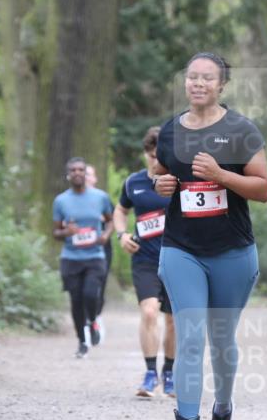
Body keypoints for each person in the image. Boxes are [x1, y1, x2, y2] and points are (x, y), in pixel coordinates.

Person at [153, 52, 267, 420]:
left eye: (207, 78)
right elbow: (163, 174)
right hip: (181, 248)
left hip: (232, 252)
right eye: (191, 77)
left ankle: (222, 412)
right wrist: (161, 183)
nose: (198, 84)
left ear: (222, 85)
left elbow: (262, 188)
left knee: (221, 340)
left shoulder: (240, 130)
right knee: (189, 337)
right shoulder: (170, 131)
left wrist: (221, 176)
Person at [114, 127, 176, 398]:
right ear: (145, 155)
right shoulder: (133, 183)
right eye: (151, 156)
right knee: (149, 312)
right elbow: (120, 210)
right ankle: (150, 374)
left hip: (177, 260)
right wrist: (121, 234)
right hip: (145, 260)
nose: (155, 161)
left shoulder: (179, 182)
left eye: (159, 155)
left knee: (174, 321)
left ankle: (170, 373)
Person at [51, 157, 114, 358]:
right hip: (71, 258)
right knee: (76, 300)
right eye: (74, 170)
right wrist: (66, 232)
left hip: (94, 256)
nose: (78, 173)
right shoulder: (61, 201)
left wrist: (105, 235)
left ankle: (93, 320)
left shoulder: (100, 197)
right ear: (68, 175)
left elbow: (111, 221)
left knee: (90, 294)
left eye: (81, 170)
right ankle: (82, 341)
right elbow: (55, 232)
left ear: (86, 173)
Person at [84, 164, 110, 344]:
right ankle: (86, 322)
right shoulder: (69, 199)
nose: (85, 177)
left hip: (101, 249)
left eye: (89, 174)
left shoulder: (102, 198)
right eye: (83, 174)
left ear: (95, 179)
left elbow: (113, 218)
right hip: (79, 250)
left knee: (98, 287)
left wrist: (104, 229)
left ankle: (96, 317)